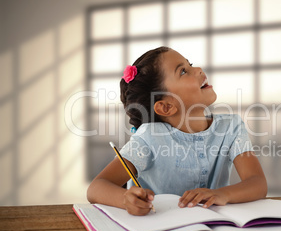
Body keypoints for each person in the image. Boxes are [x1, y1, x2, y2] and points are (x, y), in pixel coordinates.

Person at [87, 46, 268, 216]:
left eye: (189, 64)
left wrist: (222, 194)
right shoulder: (150, 138)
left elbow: (257, 183)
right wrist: (125, 199)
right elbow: (96, 188)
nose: (197, 69)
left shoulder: (231, 127)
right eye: (183, 71)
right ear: (166, 107)